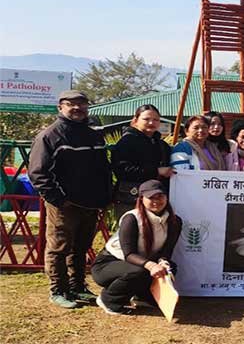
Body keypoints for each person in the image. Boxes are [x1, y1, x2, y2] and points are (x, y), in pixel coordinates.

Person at [28, 90, 113, 309]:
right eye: (70, 104)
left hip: (90, 203)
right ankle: (58, 290)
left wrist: (105, 196)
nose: (77, 108)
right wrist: (59, 199)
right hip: (65, 205)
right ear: (60, 107)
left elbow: (103, 169)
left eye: (81, 104)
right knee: (59, 248)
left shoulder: (93, 134)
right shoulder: (50, 135)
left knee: (81, 247)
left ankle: (77, 286)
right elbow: (38, 173)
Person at [91, 180, 182, 315]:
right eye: (151, 197)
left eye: (160, 196)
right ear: (141, 199)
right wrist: (152, 265)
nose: (156, 201)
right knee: (140, 271)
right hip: (109, 264)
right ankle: (108, 300)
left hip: (139, 263)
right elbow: (129, 254)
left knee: (170, 268)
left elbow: (167, 250)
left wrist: (163, 262)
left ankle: (142, 297)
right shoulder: (131, 218)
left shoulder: (175, 221)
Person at [110, 104, 174, 224]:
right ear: (135, 120)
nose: (151, 123)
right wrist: (156, 171)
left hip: (156, 201)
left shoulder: (162, 145)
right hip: (131, 200)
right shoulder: (126, 142)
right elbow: (122, 170)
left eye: (156, 120)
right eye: (146, 119)